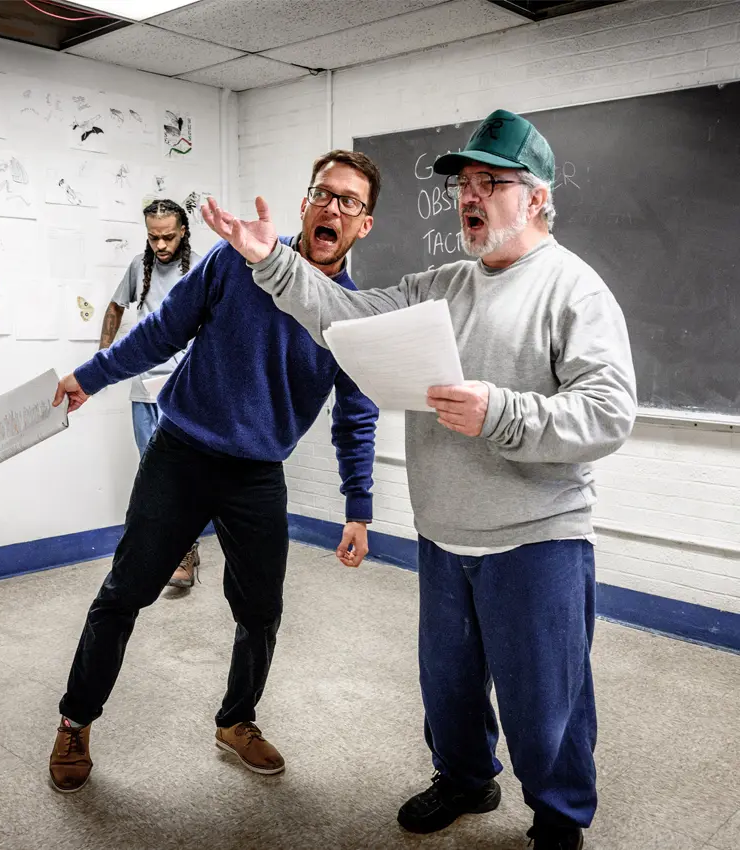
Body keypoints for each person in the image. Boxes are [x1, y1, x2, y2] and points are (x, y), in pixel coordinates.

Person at [202, 110, 637, 850]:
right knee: (449, 687)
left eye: (490, 183)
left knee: (546, 703)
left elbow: (607, 414)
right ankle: (467, 780)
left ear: (535, 196)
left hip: (538, 540)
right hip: (443, 533)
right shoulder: (441, 282)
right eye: (464, 184)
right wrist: (269, 263)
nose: (470, 196)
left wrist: (500, 410)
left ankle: (559, 819)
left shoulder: (574, 290)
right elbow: (344, 314)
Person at [48, 149, 381, 793]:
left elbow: (356, 414)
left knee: (261, 609)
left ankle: (237, 722)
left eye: (350, 202)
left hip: (257, 471)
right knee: (124, 593)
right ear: (306, 202)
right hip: (182, 453)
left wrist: (358, 507)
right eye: (323, 193)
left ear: (363, 225)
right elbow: (163, 331)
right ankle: (74, 721)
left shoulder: (349, 312)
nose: (332, 207)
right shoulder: (238, 259)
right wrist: (91, 377)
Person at [99, 199, 203, 588]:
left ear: (183, 232)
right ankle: (155, 552)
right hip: (144, 389)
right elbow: (114, 309)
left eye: (168, 237)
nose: (160, 245)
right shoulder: (137, 269)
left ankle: (186, 550)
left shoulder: (201, 267)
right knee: (151, 474)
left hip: (183, 391)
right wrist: (104, 356)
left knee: (185, 475)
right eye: (153, 237)